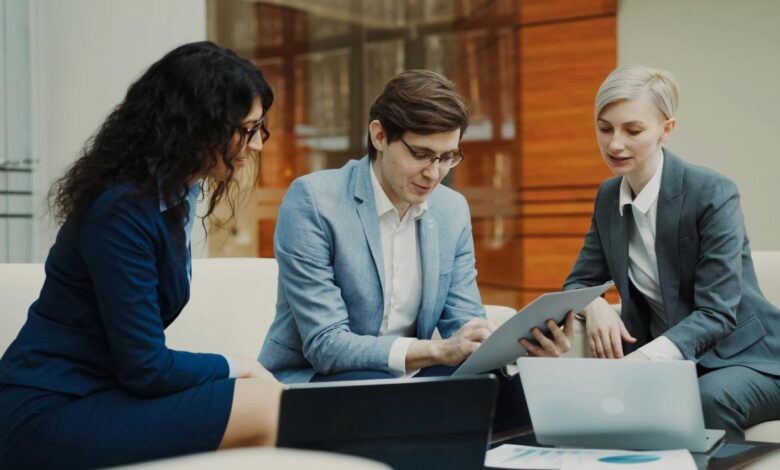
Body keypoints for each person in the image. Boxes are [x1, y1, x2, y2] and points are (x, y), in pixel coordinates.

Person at [0, 42, 282, 468]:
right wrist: (235, 364)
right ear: (196, 126)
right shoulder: (121, 211)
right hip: (46, 412)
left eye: (260, 128)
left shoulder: (173, 199)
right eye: (247, 129)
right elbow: (147, 368)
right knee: (265, 403)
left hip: (103, 395)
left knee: (265, 401)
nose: (257, 144)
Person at [259, 69, 574, 430]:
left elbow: (464, 323)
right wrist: (438, 352)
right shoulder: (315, 200)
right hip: (317, 380)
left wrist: (525, 346)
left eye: (447, 157)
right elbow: (326, 345)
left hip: (412, 379)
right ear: (379, 136)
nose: (435, 173)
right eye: (422, 154)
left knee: (533, 399)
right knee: (398, 405)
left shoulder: (451, 209)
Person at [564, 64, 780, 438]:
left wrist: (642, 360)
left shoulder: (711, 192)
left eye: (632, 130)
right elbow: (578, 282)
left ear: (666, 129)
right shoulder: (607, 198)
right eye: (605, 128)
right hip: (675, 361)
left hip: (752, 359)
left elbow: (717, 312)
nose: (615, 144)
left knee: (709, 398)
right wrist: (595, 305)